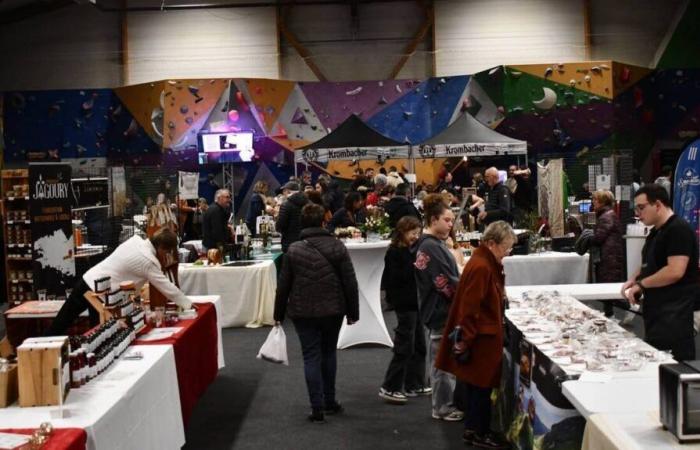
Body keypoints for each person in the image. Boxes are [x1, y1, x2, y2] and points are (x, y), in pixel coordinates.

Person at [274, 203, 359, 423]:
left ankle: (317, 407)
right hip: (333, 309)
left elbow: (283, 285)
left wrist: (278, 314)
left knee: (310, 356)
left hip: (303, 311)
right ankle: (330, 401)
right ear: (324, 221)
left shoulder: (293, 249)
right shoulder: (338, 247)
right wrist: (353, 311)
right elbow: (350, 281)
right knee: (329, 353)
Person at [436, 221, 515, 450]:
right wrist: (466, 340)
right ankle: (480, 432)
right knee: (481, 387)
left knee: (475, 387)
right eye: (505, 248)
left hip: (481, 336)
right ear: (492, 243)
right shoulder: (482, 266)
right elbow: (470, 308)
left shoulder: (482, 262)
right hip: (481, 339)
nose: (507, 253)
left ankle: (474, 429)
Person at [47, 227, 194, 335]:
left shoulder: (135, 241)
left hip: (90, 282)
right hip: (98, 291)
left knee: (64, 324)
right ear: (161, 247)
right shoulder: (148, 261)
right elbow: (167, 287)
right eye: (167, 252)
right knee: (93, 333)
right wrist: (188, 305)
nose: (167, 256)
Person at [622, 184, 699, 360]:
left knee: (673, 371)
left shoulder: (678, 229)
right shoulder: (656, 231)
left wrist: (642, 284)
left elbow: (675, 271)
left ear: (657, 205)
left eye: (642, 207)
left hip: (675, 315)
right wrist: (634, 279)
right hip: (658, 314)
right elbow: (649, 263)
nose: (638, 213)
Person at [414, 194, 463, 422]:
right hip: (441, 311)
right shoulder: (431, 247)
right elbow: (443, 282)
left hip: (439, 310)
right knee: (442, 362)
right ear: (434, 219)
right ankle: (442, 407)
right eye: (447, 220)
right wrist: (460, 300)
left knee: (441, 360)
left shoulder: (431, 245)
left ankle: (443, 403)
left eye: (452, 220)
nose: (450, 224)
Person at [379, 216, 429, 404]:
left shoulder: (412, 250)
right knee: (404, 346)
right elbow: (395, 278)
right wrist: (415, 266)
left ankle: (414, 383)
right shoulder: (394, 252)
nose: (416, 237)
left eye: (418, 233)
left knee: (418, 346)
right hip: (404, 304)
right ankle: (390, 386)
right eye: (412, 233)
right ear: (402, 232)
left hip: (415, 303)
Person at [590, 190, 624, 317]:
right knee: (608, 287)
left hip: (609, 257)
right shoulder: (608, 214)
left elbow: (599, 238)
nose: (593, 202)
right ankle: (609, 314)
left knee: (608, 288)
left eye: (595, 200)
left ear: (602, 201)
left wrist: (589, 238)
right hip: (611, 256)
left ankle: (629, 306)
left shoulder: (606, 216)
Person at [277, 182, 309, 253]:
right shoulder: (308, 203)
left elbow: (280, 226)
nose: (283, 193)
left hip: (290, 243)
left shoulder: (286, 205)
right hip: (306, 241)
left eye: (284, 191)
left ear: (288, 191)